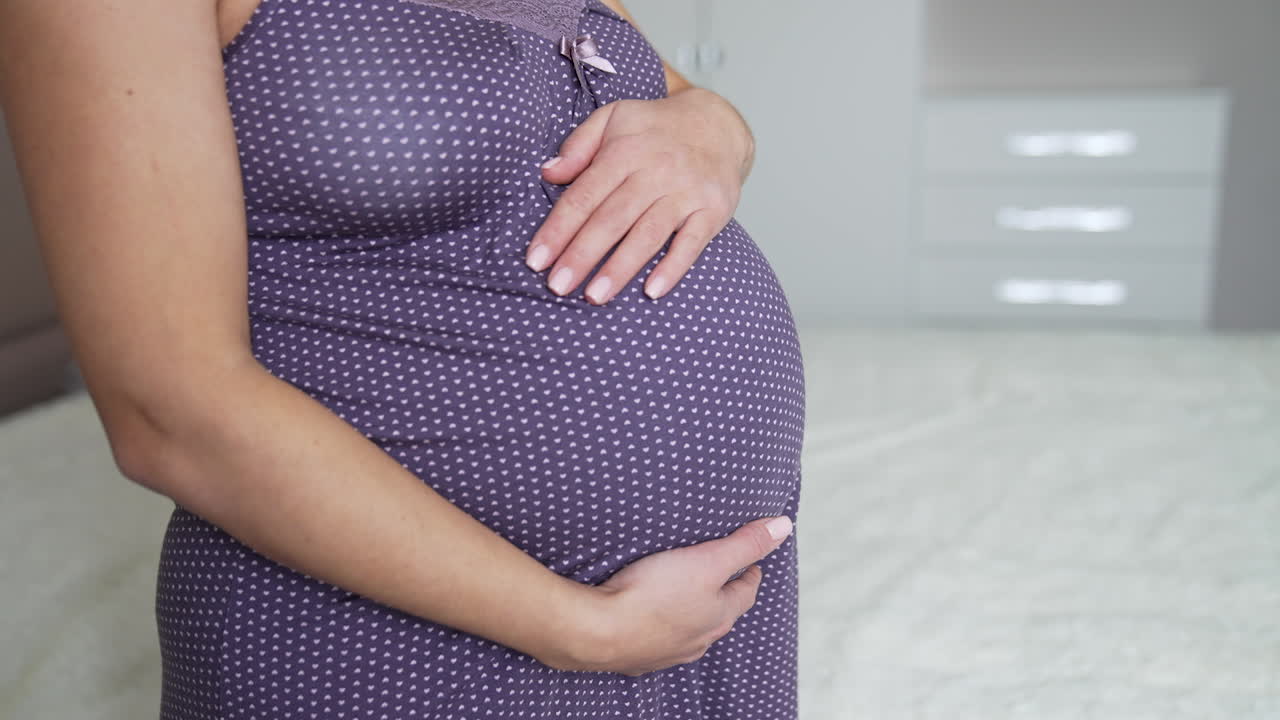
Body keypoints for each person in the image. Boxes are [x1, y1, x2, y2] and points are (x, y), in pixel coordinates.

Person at [0, 0, 806, 717]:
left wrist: (719, 129)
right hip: (400, 645)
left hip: (703, 627)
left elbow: (678, 101)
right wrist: (584, 629)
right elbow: (166, 406)